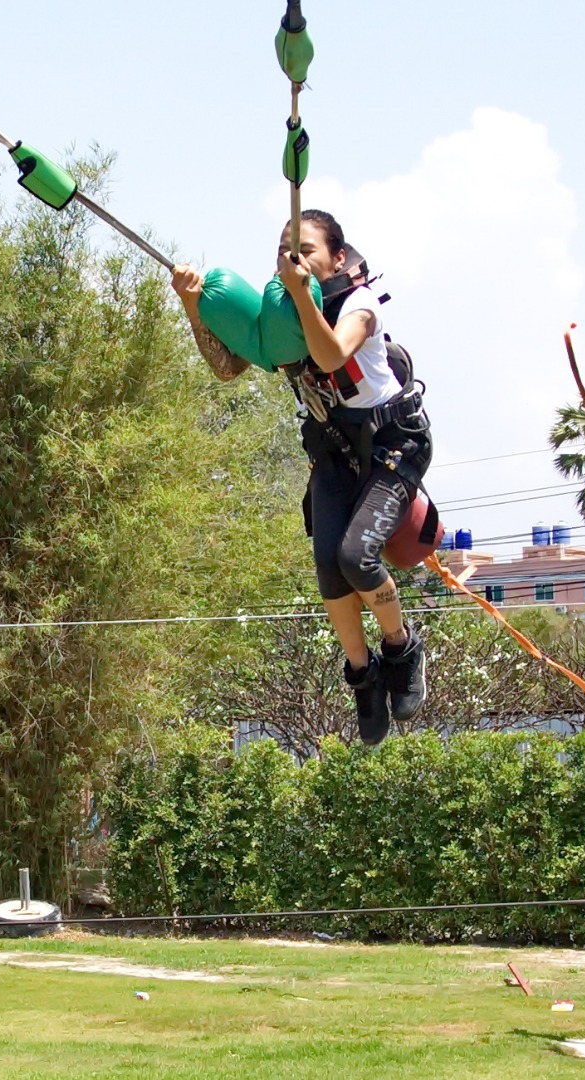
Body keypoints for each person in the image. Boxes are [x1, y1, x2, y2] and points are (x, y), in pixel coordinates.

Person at [169, 210, 429, 746]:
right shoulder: (280, 319)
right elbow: (227, 368)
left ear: (336, 258)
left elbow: (330, 351)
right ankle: (364, 677)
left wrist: (302, 294)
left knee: (356, 557)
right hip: (332, 455)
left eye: (307, 249)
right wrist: (195, 308)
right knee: (329, 569)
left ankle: (402, 648)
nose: (294, 258)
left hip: (391, 447)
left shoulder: (358, 306)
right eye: (285, 248)